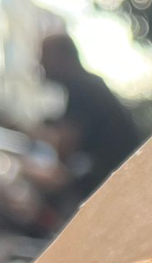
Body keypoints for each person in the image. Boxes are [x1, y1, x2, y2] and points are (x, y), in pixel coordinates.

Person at [38, 33, 140, 198]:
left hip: (109, 183)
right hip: (115, 178)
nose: (41, 63)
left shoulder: (81, 88)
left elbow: (65, 147)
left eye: (44, 55)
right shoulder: (88, 85)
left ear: (62, 57)